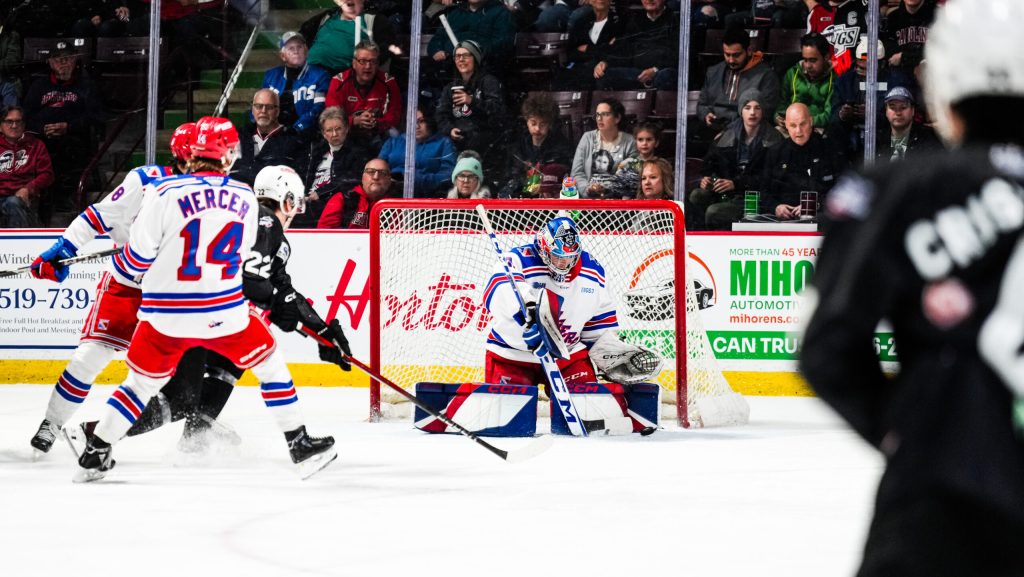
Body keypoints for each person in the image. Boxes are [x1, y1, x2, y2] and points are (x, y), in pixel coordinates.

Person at [800, 1, 1024, 574]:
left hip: (936, 505)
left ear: (942, 86)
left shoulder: (895, 189)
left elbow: (827, 348)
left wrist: (911, 430)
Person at [72, 117, 337, 482]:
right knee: (270, 363)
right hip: (221, 310)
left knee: (139, 386)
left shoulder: (163, 193)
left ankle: (96, 451)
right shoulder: (244, 196)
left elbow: (136, 261)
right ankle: (299, 443)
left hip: (163, 313)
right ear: (228, 156)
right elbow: (243, 257)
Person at [26, 123, 193, 457]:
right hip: (128, 287)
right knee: (89, 359)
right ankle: (52, 423)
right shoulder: (144, 180)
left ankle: (201, 423)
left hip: (174, 297)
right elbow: (98, 217)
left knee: (175, 378)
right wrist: (64, 249)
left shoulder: (212, 192)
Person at [482, 216, 661, 433]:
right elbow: (497, 290)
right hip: (512, 355)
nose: (563, 264)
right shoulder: (518, 259)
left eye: (569, 258)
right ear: (543, 248)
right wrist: (526, 312)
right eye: (557, 257)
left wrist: (610, 353)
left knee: (587, 416)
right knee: (508, 426)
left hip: (566, 355)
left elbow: (597, 329)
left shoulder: (592, 271)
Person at [22, 42, 102, 213]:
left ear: (74, 61)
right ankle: (43, 204)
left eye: (67, 58)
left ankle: (66, 200)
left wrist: (69, 127)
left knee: (69, 150)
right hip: (42, 139)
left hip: (74, 138)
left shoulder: (86, 85)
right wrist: (43, 128)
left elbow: (95, 116)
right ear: (50, 63)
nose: (63, 63)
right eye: (58, 59)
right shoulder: (38, 86)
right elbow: (26, 117)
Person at [689, 89, 781, 230]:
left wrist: (736, 184)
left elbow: (770, 179)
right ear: (740, 111)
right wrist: (707, 179)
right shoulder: (727, 133)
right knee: (697, 195)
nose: (752, 113)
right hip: (728, 193)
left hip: (754, 197)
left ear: (763, 112)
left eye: (757, 108)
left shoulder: (773, 138)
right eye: (747, 107)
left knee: (714, 212)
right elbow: (709, 164)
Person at [695, 25, 780, 142]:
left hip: (745, 132)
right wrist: (706, 115)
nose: (731, 60)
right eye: (727, 54)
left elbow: (766, 112)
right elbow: (702, 104)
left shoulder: (765, 76)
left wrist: (729, 131)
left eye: (736, 55)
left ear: (749, 50)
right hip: (712, 128)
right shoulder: (713, 72)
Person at [762, 102, 845, 220]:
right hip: (782, 222)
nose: (798, 131)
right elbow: (764, 191)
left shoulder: (829, 150)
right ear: (785, 125)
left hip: (820, 220)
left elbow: (841, 190)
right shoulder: (775, 153)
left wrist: (815, 205)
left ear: (811, 121)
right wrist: (775, 207)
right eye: (793, 125)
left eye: (803, 124)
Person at [434, 40, 508, 169]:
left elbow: (498, 111)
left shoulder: (489, 82)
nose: (461, 60)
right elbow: (440, 115)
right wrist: (449, 129)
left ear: (476, 58)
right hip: (457, 142)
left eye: (466, 55)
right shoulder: (450, 87)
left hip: (485, 142)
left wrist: (471, 101)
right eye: (457, 56)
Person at [294, 106, 372, 228]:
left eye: (338, 129)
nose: (334, 134)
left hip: (334, 204)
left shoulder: (358, 152)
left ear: (346, 128)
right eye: (329, 130)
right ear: (324, 133)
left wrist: (320, 193)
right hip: (308, 203)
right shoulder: (315, 152)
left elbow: (350, 180)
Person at [324, 40, 402, 154]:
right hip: (348, 133)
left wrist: (376, 122)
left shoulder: (388, 82)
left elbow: (395, 115)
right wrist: (355, 121)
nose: (368, 66)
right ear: (354, 63)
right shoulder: (338, 82)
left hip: (379, 134)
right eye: (362, 61)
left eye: (372, 61)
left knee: (395, 135)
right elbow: (331, 117)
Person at [497, 93, 573, 199]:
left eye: (542, 124)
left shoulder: (562, 148)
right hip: (521, 201)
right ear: (527, 121)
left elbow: (566, 179)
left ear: (550, 124)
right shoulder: (517, 148)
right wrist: (527, 186)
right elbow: (509, 179)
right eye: (533, 123)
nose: (537, 128)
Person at [261, 31, 332, 142]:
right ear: (283, 56)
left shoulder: (320, 75)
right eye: (291, 48)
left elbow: (319, 109)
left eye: (299, 47)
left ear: (306, 51)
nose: (296, 51)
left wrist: (296, 129)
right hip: (274, 132)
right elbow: (261, 105)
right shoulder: (271, 76)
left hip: (304, 133)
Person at [595, 0, 678, 91]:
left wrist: (655, 69)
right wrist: (605, 62)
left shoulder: (676, 19)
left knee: (666, 76)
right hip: (637, 73)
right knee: (603, 74)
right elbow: (623, 48)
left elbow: (678, 54)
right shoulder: (635, 20)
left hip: (661, 71)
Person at [377, 105, 457, 198]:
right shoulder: (393, 142)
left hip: (428, 196)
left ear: (430, 122)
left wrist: (415, 178)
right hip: (392, 194)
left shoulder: (443, 143)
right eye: (411, 121)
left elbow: (449, 176)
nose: (416, 126)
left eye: (421, 121)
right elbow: (378, 168)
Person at [303, 0, 401, 76]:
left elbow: (385, 50)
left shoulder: (374, 20)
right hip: (306, 72)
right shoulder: (328, 16)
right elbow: (302, 35)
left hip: (341, 77)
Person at [231, 89, 303, 186]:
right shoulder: (239, 137)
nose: (263, 111)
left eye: (269, 107)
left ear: (277, 111)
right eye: (259, 106)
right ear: (252, 110)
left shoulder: (292, 141)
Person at [570, 97, 636, 197]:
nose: (599, 119)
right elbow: (577, 172)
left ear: (617, 118)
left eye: (605, 114)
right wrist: (587, 189)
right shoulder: (587, 138)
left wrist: (606, 189)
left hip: (616, 200)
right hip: (588, 197)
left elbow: (630, 176)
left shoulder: (630, 141)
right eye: (597, 115)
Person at [0, 105, 53, 228]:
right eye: (9, 121)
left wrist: (29, 188)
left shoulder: (36, 145)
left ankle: (16, 247)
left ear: (24, 126)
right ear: (0, 127)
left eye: (18, 121)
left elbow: (47, 175)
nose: (14, 126)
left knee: (13, 203)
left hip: (22, 199)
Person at [776, 33, 835, 132]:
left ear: (826, 57)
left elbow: (830, 114)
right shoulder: (792, 73)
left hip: (818, 129)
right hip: (791, 128)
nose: (808, 66)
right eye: (805, 59)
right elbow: (782, 103)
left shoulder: (834, 80)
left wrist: (807, 122)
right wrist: (778, 117)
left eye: (813, 60)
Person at [317, 157, 393, 228]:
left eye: (383, 173)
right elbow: (324, 234)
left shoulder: (395, 205)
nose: (376, 177)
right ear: (363, 177)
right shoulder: (343, 198)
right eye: (371, 172)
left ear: (389, 180)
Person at [876, 86, 939, 162]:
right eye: (892, 108)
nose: (898, 113)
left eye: (903, 107)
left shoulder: (928, 139)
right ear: (886, 111)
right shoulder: (878, 139)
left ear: (913, 111)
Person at [604, 121, 664, 200]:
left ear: (656, 142)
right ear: (635, 142)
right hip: (629, 207)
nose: (644, 143)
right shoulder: (627, 164)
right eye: (640, 140)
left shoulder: (662, 165)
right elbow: (616, 188)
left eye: (649, 139)